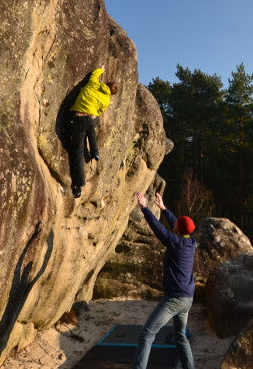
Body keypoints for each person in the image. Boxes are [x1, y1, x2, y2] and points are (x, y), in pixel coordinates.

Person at [133, 191, 196, 369]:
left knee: (146, 334)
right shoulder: (191, 242)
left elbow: (157, 227)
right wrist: (163, 208)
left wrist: (144, 207)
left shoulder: (174, 242)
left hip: (175, 300)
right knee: (180, 337)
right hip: (187, 299)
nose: (173, 225)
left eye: (175, 225)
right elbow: (178, 224)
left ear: (178, 230)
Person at [66, 65, 118, 198]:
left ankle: (79, 184)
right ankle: (95, 152)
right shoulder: (107, 100)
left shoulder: (94, 83)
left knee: (77, 151)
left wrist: (102, 69)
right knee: (91, 126)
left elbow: (94, 74)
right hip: (89, 119)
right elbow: (100, 112)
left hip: (79, 118)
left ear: (105, 83)